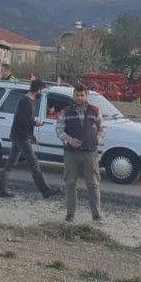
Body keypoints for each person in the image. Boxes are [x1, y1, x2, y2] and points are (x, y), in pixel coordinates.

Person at [0, 79, 59, 199]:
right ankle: (45, 190)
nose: (42, 93)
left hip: (19, 135)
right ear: (38, 90)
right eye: (42, 90)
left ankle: (0, 190)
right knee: (33, 162)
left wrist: (32, 133)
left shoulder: (29, 100)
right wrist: (35, 123)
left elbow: (26, 119)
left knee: (10, 163)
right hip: (21, 136)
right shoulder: (25, 101)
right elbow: (21, 119)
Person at [56, 83, 106, 224]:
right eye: (77, 95)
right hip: (71, 153)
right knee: (70, 184)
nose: (79, 98)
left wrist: (97, 139)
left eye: (82, 95)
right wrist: (69, 140)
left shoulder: (95, 111)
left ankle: (96, 216)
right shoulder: (66, 112)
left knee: (93, 184)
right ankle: (70, 215)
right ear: (73, 95)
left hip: (90, 153)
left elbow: (103, 128)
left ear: (86, 96)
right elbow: (59, 130)